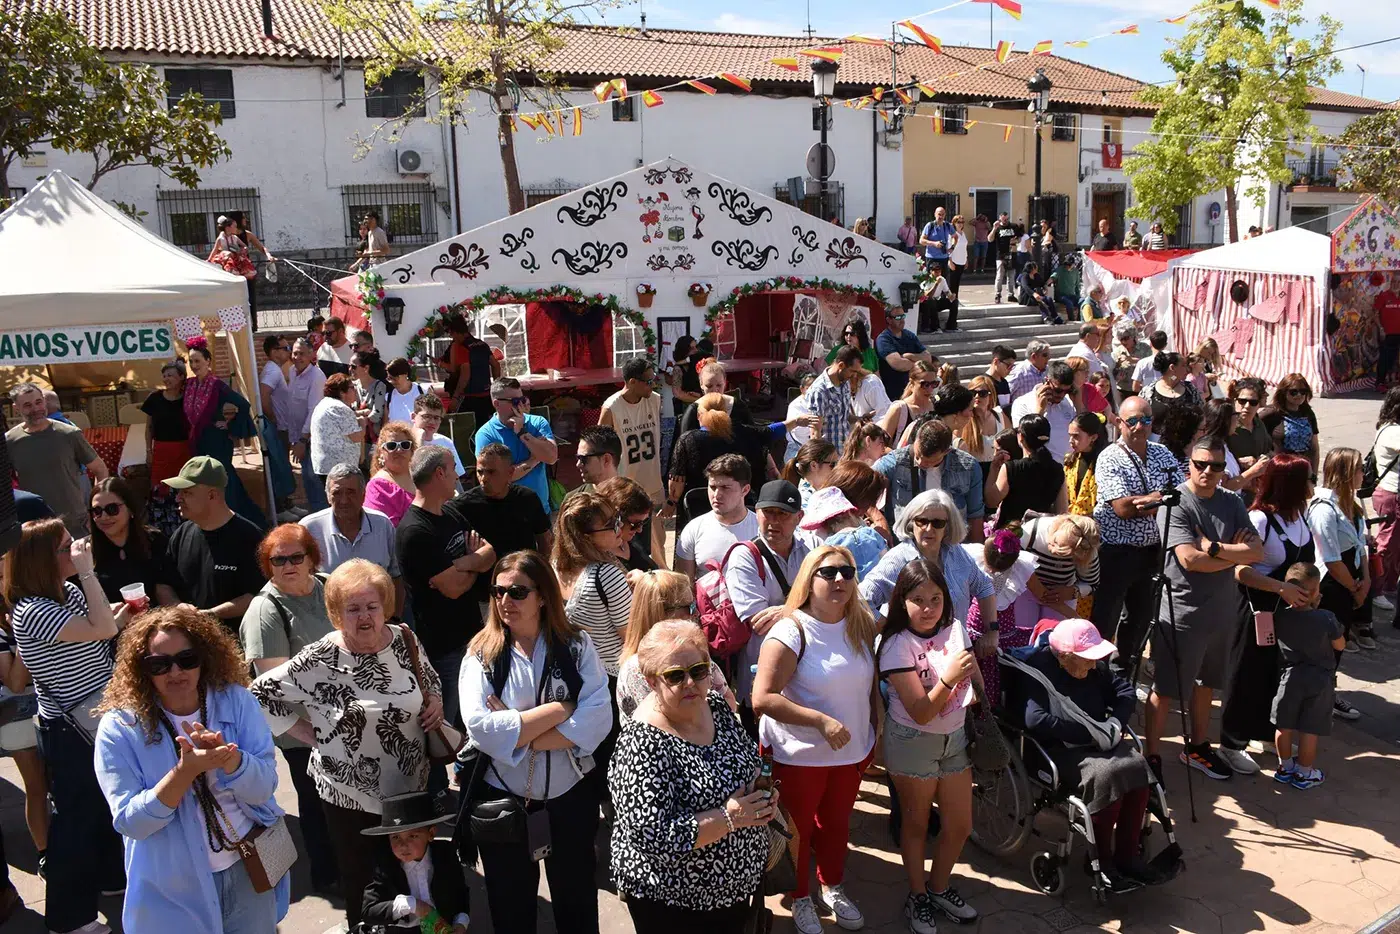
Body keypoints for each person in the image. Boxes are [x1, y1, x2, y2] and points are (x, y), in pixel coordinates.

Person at [251, 559, 442, 931]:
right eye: (352, 609)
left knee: (410, 872)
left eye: (372, 607)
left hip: (408, 785)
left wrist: (433, 701)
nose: (365, 617)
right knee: (363, 884)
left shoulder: (404, 639)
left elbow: (430, 681)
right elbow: (260, 692)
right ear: (336, 614)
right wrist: (305, 733)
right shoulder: (322, 655)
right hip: (349, 794)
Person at [94, 606, 289, 933]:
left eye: (186, 659)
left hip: (248, 869)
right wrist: (184, 772)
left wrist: (231, 761)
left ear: (205, 656)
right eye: (159, 664)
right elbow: (130, 822)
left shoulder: (236, 701)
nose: (175, 672)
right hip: (172, 886)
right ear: (142, 670)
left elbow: (264, 786)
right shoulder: (119, 728)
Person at [459, 550, 611, 934]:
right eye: (498, 591)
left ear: (543, 595)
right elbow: (480, 727)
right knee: (510, 909)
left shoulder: (576, 646)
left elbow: (600, 716)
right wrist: (563, 708)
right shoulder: (482, 654)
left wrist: (521, 734)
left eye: (517, 592)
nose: (505, 601)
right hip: (504, 799)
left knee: (576, 902)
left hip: (570, 796)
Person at [6, 520, 127, 933]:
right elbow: (103, 628)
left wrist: (110, 607)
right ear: (45, 559)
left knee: (107, 804)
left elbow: (100, 628)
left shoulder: (68, 591)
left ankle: (112, 880)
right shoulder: (32, 611)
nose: (77, 549)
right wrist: (91, 571)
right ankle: (68, 918)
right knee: (75, 822)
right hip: (69, 730)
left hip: (103, 715)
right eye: (66, 547)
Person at [609, 620, 768, 933]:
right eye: (675, 676)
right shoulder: (642, 743)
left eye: (698, 671)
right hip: (675, 902)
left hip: (732, 893)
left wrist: (762, 794)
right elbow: (652, 836)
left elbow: (749, 759)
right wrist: (730, 817)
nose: (691, 683)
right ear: (651, 681)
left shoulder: (716, 706)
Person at [752, 545, 878, 934]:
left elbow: (871, 686)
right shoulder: (791, 630)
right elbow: (762, 698)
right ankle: (800, 896)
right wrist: (820, 722)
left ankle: (831, 885)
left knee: (837, 823)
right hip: (799, 755)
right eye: (828, 573)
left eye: (847, 572)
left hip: (851, 752)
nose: (839, 579)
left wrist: (879, 732)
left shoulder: (861, 623)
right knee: (798, 829)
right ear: (809, 579)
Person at [1144, 435, 1263, 783]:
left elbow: (1256, 552)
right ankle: (1152, 757)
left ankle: (1197, 747)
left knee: (1207, 683)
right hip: (1182, 613)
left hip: (1222, 612)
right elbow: (1189, 560)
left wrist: (1213, 548)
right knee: (1165, 690)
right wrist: (1227, 554)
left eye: (1216, 466)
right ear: (1189, 465)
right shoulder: (1175, 503)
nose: (1208, 472)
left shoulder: (1232, 501)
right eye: (1200, 464)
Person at [1019, 618, 1162, 890]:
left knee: (1139, 769)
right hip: (1060, 750)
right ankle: (1100, 861)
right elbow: (1035, 720)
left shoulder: (1093, 668)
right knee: (1109, 776)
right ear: (1064, 656)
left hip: (1100, 741)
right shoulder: (1038, 671)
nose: (1092, 663)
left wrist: (1116, 724)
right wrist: (1088, 733)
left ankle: (1128, 856)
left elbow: (1125, 692)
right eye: (1085, 658)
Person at [878, 560, 981, 930]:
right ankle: (917, 895)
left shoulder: (955, 629)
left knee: (960, 824)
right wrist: (950, 678)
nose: (928, 608)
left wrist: (981, 701)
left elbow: (973, 671)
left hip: (955, 738)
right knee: (917, 825)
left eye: (935, 599)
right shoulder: (895, 645)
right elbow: (921, 712)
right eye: (918, 599)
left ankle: (938, 888)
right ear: (901, 601)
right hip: (913, 742)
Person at [239, 523, 339, 892]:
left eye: (296, 556)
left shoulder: (330, 586)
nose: (287, 565)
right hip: (307, 735)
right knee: (319, 809)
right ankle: (329, 879)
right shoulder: (265, 612)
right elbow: (269, 692)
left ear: (312, 558)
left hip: (345, 723)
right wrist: (312, 736)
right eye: (277, 560)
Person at [1215, 453, 1315, 775]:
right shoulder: (1259, 520)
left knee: (1275, 675)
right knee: (1246, 674)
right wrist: (1280, 588)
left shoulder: (1300, 518)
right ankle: (1231, 743)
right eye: (1308, 478)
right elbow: (1239, 570)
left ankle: (1265, 733)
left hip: (1286, 613)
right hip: (1255, 610)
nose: (1313, 484)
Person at [396, 445, 495, 732]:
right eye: (453, 468)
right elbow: (452, 588)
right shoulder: (415, 532)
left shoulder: (451, 514)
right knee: (448, 726)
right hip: (443, 647)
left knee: (476, 716)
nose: (458, 474)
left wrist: (463, 564)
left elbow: (491, 553)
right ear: (439, 473)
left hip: (473, 635)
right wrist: (475, 566)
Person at [1090, 395, 1183, 665]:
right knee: (1106, 617)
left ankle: (1124, 671)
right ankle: (1096, 672)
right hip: (1116, 551)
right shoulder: (1110, 458)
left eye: (1145, 420)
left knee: (1140, 617)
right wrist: (1162, 498)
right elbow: (1123, 508)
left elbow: (1181, 497)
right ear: (1119, 422)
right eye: (1132, 421)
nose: (1140, 426)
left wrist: (1145, 500)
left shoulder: (1162, 454)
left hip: (1152, 551)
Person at [862, 490, 997, 635]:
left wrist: (992, 631)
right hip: (910, 655)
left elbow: (984, 586)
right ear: (911, 523)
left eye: (937, 523)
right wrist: (888, 630)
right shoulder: (897, 560)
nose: (928, 528)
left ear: (947, 527)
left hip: (954, 650)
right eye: (922, 521)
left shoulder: (956, 553)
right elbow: (861, 599)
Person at [165, 457, 267, 634]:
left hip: (233, 646)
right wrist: (177, 606)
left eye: (187, 492)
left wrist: (209, 615)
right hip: (187, 646)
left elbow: (258, 595)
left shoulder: (250, 538)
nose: (178, 498)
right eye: (178, 492)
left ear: (212, 495)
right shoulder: (181, 534)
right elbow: (164, 583)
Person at [615, 575, 735, 724]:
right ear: (663, 612)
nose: (697, 613)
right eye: (691, 607)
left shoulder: (690, 649)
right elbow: (659, 726)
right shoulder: (637, 669)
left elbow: (728, 698)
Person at [1270, 563, 1347, 789]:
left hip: (1289, 676)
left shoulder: (1279, 616)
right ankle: (1305, 773)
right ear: (1315, 593)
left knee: (1283, 725)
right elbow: (1340, 645)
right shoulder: (1326, 618)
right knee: (1309, 729)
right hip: (1320, 680)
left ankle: (1284, 767)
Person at [300, 462, 405, 611]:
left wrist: (394, 618)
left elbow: (396, 576)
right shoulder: (309, 528)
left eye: (351, 492)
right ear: (328, 497)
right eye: (337, 493)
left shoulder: (382, 525)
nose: (344, 500)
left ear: (363, 494)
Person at [669, 396, 786, 529]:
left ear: (698, 415)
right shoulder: (747, 433)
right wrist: (797, 421)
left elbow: (676, 481)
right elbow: (772, 431)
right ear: (726, 412)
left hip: (697, 509)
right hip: (742, 509)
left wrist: (671, 502)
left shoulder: (687, 439)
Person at [7, 382, 107, 536]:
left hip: (75, 523)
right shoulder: (10, 441)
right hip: (36, 527)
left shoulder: (69, 434)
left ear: (44, 401)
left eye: (38, 402)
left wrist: (96, 509)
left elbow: (100, 469)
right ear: (16, 408)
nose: (35, 409)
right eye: (27, 405)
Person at [553, 492, 633, 683]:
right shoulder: (606, 575)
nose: (620, 527)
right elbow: (631, 636)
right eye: (612, 524)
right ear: (586, 538)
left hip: (575, 674)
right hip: (612, 677)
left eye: (618, 519)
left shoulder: (554, 565)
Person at [359, 793, 469, 932]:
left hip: (441, 927)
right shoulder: (384, 862)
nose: (403, 845)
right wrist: (412, 905)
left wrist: (461, 924)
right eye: (395, 837)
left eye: (413, 836)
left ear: (431, 834)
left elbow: (461, 894)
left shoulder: (445, 854)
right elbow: (369, 911)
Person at [1309, 447, 1374, 657]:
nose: (1363, 474)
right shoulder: (1324, 509)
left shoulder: (1351, 505)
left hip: (1350, 580)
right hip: (1332, 584)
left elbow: (1358, 543)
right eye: (1359, 469)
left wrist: (1366, 578)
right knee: (1328, 648)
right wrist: (1355, 588)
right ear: (1345, 473)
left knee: (1341, 637)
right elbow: (1331, 560)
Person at [600, 359, 666, 561]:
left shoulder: (654, 400)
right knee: (628, 543)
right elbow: (599, 446)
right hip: (626, 489)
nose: (652, 384)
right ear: (631, 382)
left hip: (653, 482)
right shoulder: (612, 407)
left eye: (653, 379)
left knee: (658, 544)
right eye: (648, 380)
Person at [875, 418, 986, 537]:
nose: (920, 462)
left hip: (950, 544)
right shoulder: (896, 461)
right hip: (907, 542)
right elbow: (860, 486)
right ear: (916, 439)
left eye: (928, 462)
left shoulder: (969, 467)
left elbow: (975, 516)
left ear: (947, 451)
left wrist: (977, 550)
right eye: (917, 455)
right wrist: (877, 518)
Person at [475, 377, 558, 516]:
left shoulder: (537, 423)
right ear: (497, 404)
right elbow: (497, 478)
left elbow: (551, 458)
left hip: (541, 510)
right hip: (507, 514)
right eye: (515, 401)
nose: (520, 405)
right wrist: (534, 459)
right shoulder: (485, 435)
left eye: (522, 399)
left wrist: (522, 433)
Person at [89, 477, 178, 606]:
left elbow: (166, 589)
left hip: (155, 621)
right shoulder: (85, 552)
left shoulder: (154, 541)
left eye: (112, 509)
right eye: (97, 511)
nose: (104, 517)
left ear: (130, 509)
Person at [457, 442, 552, 562]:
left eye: (491, 472)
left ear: (510, 472)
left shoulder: (527, 499)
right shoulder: (463, 506)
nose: (484, 479)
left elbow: (544, 540)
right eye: (480, 472)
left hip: (522, 575)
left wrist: (542, 572)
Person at [675, 455, 759, 579]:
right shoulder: (693, 529)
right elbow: (683, 589)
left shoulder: (762, 528)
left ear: (745, 490)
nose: (717, 495)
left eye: (725, 488)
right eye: (713, 487)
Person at [143, 361, 194, 528]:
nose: (166, 379)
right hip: (161, 450)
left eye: (171, 375)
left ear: (181, 377)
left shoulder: (189, 398)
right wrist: (148, 450)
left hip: (183, 450)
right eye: (164, 376)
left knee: (183, 486)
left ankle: (186, 524)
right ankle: (162, 526)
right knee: (160, 488)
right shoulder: (154, 399)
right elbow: (149, 427)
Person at [992, 414, 1068, 526]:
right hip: (1040, 532)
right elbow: (1061, 510)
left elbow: (991, 500)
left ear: (1021, 437)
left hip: (1011, 534)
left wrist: (993, 469)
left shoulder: (1011, 468)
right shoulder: (1057, 469)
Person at [287, 337, 329, 513]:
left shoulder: (317, 376)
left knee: (314, 478)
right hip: (299, 437)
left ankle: (323, 515)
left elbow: (313, 411)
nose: (297, 357)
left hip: (312, 438)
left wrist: (303, 441)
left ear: (311, 355)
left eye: (302, 354)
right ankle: (316, 514)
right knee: (307, 479)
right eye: (295, 353)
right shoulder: (291, 371)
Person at [1010, 361, 1077, 463]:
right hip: (1040, 467)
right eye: (1058, 390)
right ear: (1046, 381)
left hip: (1067, 468)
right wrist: (1039, 410)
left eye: (1067, 391)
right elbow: (1024, 440)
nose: (1062, 395)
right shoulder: (1022, 403)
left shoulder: (1067, 402)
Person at [1370, 387, 1400, 611]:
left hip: (1392, 494)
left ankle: (1389, 585)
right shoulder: (1392, 431)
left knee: (1396, 546)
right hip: (1392, 494)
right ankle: (1376, 589)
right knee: (1386, 544)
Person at [310, 372, 367, 490]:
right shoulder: (339, 408)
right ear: (342, 392)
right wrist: (363, 424)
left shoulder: (326, 403)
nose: (355, 390)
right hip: (339, 468)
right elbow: (356, 436)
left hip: (328, 465)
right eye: (352, 387)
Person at [442, 313, 500, 425]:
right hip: (486, 395)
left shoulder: (461, 347)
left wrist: (455, 397)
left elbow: (465, 374)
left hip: (469, 397)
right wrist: (495, 388)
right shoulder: (482, 344)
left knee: (466, 430)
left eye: (451, 334)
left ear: (454, 332)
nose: (452, 338)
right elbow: (496, 365)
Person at [597, 477, 659, 572]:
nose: (640, 530)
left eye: (644, 522)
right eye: (635, 524)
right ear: (615, 517)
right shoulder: (598, 557)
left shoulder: (629, 539)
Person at [1260, 373, 1321, 471]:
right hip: (1280, 471)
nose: (1299, 395)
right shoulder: (1272, 412)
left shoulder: (1308, 413)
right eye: (1294, 392)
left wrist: (1314, 474)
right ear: (1284, 392)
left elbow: (1314, 448)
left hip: (1304, 470)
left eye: (1303, 391)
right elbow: (1251, 425)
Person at [806, 346, 860, 451]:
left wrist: (860, 419)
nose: (854, 375)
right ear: (841, 365)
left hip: (845, 453)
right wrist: (824, 462)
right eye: (852, 371)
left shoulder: (844, 383)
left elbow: (843, 417)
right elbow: (815, 433)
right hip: (829, 458)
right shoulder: (819, 391)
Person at [363, 422, 417, 525]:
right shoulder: (378, 486)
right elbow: (380, 528)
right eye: (391, 446)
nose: (399, 449)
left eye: (405, 445)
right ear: (381, 453)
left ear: (412, 450)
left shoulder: (422, 476)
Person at [875, 307, 933, 401]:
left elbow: (928, 358)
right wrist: (920, 364)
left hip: (913, 392)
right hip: (893, 393)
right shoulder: (884, 339)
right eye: (898, 317)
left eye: (903, 316)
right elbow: (899, 365)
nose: (902, 320)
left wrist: (909, 356)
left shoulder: (909, 335)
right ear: (889, 320)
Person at [410, 391, 467, 487]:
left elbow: (456, 479)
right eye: (426, 416)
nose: (432, 422)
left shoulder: (445, 442)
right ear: (413, 417)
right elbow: (412, 476)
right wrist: (419, 441)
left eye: (436, 418)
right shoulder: (403, 443)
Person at [879, 359, 938, 448]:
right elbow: (881, 445)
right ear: (912, 383)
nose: (930, 389)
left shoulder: (935, 406)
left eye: (934, 384)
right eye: (925, 384)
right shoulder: (899, 409)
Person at [1143, 352, 1203, 438]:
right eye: (1183, 365)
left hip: (1184, 444)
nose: (1187, 369)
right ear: (1172, 367)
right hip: (1156, 445)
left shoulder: (1191, 390)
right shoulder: (1148, 392)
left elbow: (1201, 414)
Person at [1227, 378, 1272, 487]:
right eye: (1242, 401)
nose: (1247, 406)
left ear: (1258, 404)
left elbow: (1268, 450)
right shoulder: (1227, 426)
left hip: (1256, 488)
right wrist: (1238, 461)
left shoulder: (1259, 424)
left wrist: (1265, 459)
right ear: (1235, 400)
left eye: (1253, 402)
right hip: (1233, 486)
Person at [1065, 412, 1110, 517]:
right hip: (1071, 520)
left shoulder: (1106, 463)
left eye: (1076, 436)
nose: (1070, 441)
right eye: (1070, 436)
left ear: (1093, 438)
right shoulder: (1070, 461)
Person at [781, 438, 839, 508]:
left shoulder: (828, 491)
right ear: (814, 465)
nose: (837, 468)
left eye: (838, 463)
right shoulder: (804, 500)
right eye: (833, 464)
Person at [351, 348, 389, 445]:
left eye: (353, 367)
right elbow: (346, 413)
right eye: (349, 366)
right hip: (354, 439)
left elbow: (376, 416)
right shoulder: (351, 385)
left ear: (366, 368)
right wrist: (365, 412)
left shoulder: (379, 386)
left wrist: (355, 415)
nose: (350, 369)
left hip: (372, 441)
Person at [1007, 340, 1052, 408]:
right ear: (1034, 356)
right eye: (1045, 355)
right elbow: (1007, 395)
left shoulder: (1047, 370)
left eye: (1049, 355)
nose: (1049, 358)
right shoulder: (1019, 372)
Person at [1375, 273, 1400, 389]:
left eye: (1398, 282)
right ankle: (1380, 382)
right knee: (1385, 358)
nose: (1396, 284)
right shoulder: (1384, 296)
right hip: (1387, 333)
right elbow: (1375, 314)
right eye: (1394, 281)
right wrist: (1380, 328)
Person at [918, 264, 959, 333]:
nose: (938, 274)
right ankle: (935, 327)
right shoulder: (927, 280)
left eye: (939, 272)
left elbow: (947, 292)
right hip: (926, 303)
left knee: (954, 302)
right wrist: (936, 284)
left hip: (937, 301)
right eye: (936, 272)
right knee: (931, 301)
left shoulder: (942, 279)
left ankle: (951, 326)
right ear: (931, 271)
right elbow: (927, 295)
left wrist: (951, 296)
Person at [386, 357, 427, 424]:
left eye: (395, 378)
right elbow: (386, 425)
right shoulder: (388, 397)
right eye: (389, 378)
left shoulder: (423, 391)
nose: (392, 382)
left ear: (406, 374)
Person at [919, 205, 956, 274]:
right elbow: (921, 241)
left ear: (945, 215)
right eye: (939, 214)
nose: (941, 217)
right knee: (931, 282)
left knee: (943, 281)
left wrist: (952, 247)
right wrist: (934, 243)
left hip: (944, 258)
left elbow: (955, 237)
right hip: (932, 258)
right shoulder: (930, 226)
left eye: (942, 214)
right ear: (935, 214)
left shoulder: (948, 226)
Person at [1111, 323, 1144, 402]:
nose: (1123, 342)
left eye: (1125, 338)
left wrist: (1135, 360)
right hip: (1123, 390)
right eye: (1121, 339)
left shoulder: (1145, 348)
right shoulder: (1117, 351)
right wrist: (1118, 371)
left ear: (1133, 336)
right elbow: (1112, 373)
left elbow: (1150, 364)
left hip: (1140, 389)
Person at [990, 212, 1018, 302]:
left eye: (1007, 219)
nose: (1005, 221)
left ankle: (1011, 294)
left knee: (1011, 275)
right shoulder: (997, 228)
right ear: (1000, 218)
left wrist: (1015, 240)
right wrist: (994, 228)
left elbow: (1020, 237)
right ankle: (997, 294)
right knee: (1000, 275)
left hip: (1012, 253)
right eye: (1003, 219)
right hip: (1000, 254)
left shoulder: (1013, 226)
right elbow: (990, 239)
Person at [1049, 258, 1081, 322]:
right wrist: (1046, 284)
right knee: (1069, 303)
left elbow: (1077, 286)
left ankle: (1079, 319)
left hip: (1072, 295)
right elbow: (1052, 278)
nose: (1068, 267)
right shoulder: (1060, 269)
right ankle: (1071, 320)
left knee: (1082, 301)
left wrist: (1078, 296)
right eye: (1067, 265)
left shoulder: (1076, 271)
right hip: (1061, 295)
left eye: (1070, 265)